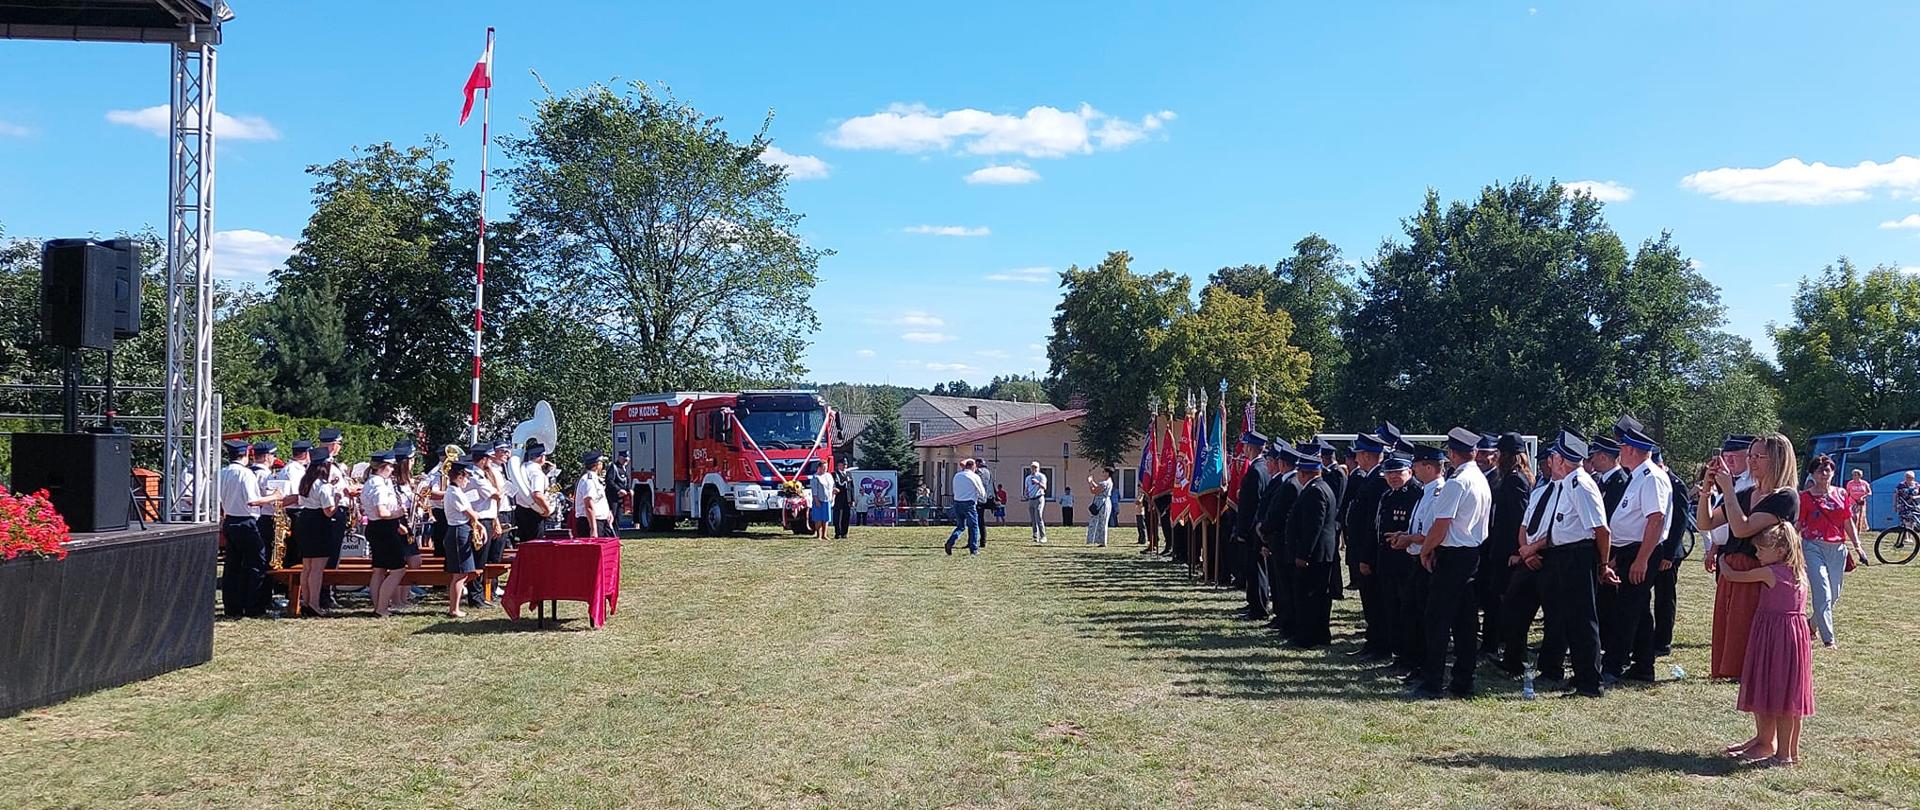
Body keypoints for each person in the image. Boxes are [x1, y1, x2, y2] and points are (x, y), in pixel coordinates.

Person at [1701, 433, 1799, 680]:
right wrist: (1706, 489)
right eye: (1751, 456)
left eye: (1759, 456)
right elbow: (1706, 522)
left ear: (1778, 460)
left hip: (1756, 573)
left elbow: (1742, 528)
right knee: (1729, 631)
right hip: (1731, 569)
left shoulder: (1785, 498)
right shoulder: (1746, 493)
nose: (1752, 461)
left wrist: (1728, 490)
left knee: (1748, 636)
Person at [1720, 522, 1815, 768]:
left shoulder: (1770, 572)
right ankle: (1791, 752)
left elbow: (1733, 576)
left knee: (1779, 696)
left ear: (1781, 549)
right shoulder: (1799, 572)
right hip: (1795, 636)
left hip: (1775, 636)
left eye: (1762, 550)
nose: (1758, 554)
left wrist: (1721, 559)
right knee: (1792, 697)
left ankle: (1781, 755)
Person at [1411, 428, 1491, 699]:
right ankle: (1463, 681)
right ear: (1475, 452)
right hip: (1471, 554)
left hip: (1452, 556)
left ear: (1452, 454)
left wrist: (1426, 550)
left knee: (1437, 621)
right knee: (1465, 623)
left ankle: (1433, 681)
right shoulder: (1480, 479)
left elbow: (1441, 524)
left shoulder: (1458, 483)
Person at [1599, 417, 1671, 685]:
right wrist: (1620, 557)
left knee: (1626, 611)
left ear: (1630, 450)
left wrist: (1641, 559)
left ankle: (1612, 667)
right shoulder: (1637, 476)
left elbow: (1656, 519)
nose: (1619, 452)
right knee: (1639, 612)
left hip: (1643, 551)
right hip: (1630, 550)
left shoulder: (1651, 477)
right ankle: (1643, 666)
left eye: (1622, 447)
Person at [1386, 443, 1445, 683]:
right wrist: (1404, 535)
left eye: (1417, 465)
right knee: (1411, 614)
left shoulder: (1439, 492)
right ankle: (1414, 663)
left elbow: (1432, 532)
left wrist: (1408, 538)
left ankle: (1421, 665)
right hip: (1416, 556)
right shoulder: (1427, 490)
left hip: (1426, 560)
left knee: (1421, 618)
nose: (1414, 469)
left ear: (1429, 467)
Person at [1478, 432, 1532, 662]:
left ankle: (1497, 645)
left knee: (1500, 599)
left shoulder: (1515, 479)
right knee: (1494, 597)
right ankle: (1493, 643)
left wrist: (1515, 550)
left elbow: (1518, 518)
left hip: (1507, 551)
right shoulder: (1509, 477)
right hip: (1499, 547)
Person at [1798, 454, 1858, 648]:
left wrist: (1857, 545)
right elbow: (1798, 524)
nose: (1824, 473)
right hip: (1812, 546)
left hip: (1837, 548)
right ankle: (1828, 639)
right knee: (1823, 592)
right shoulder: (1805, 498)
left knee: (1834, 594)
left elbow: (1847, 521)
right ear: (1812, 474)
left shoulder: (1841, 494)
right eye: (1819, 470)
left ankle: (1811, 625)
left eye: (1828, 469)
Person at [1286, 447, 1340, 648]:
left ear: (1303, 473)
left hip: (1314, 555)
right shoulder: (1322, 487)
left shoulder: (1315, 491)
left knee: (1309, 596)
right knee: (1317, 596)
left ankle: (1307, 637)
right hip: (1320, 553)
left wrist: (1303, 554)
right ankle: (1317, 634)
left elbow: (1313, 527)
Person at [1371, 450, 1420, 672]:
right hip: (1387, 561)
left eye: (1397, 472)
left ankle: (1410, 657)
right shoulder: (1388, 495)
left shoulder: (1416, 493)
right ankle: (1398, 654)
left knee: (1408, 612)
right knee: (1391, 610)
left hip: (1406, 561)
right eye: (1389, 472)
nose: (1392, 477)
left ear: (1409, 471)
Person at [219, 439, 279, 618]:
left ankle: (232, 607)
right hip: (247, 522)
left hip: (230, 520)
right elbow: (253, 500)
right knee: (256, 564)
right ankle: (254, 607)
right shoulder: (245, 474)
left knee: (232, 566)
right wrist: (274, 496)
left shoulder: (223, 472)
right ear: (246, 454)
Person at [1258, 443, 1301, 632]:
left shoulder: (1290, 485)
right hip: (1276, 541)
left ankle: (1287, 621)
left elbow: (1278, 514)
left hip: (1282, 542)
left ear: (1282, 463)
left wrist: (1265, 531)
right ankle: (1282, 617)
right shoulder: (1286, 482)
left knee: (1285, 585)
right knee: (1279, 584)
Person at [361, 452, 409, 617]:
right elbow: (382, 511)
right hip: (383, 528)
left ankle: (378, 606)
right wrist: (398, 514)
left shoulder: (371, 482)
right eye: (390, 466)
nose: (392, 469)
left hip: (377, 527)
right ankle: (381, 607)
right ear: (383, 467)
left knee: (379, 569)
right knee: (398, 570)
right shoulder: (379, 485)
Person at [1653, 450, 1690, 657]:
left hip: (1669, 552)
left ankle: (1663, 641)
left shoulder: (1675, 484)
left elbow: (1679, 522)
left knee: (1665, 597)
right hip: (1653, 548)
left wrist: (1668, 555)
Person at [295, 451, 341, 617]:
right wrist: (336, 499)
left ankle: (306, 601)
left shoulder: (306, 481)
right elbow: (328, 512)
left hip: (306, 519)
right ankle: (314, 603)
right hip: (319, 523)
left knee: (307, 567)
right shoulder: (323, 485)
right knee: (317, 569)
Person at [442, 462, 481, 618]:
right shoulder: (454, 492)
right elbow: (471, 514)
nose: (468, 480)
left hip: (461, 530)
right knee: (460, 574)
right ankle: (454, 608)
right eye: (467, 476)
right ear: (459, 476)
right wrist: (476, 519)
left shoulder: (456, 491)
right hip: (458, 531)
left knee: (463, 573)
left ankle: (455, 606)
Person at [510, 442, 553, 544]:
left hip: (521, 510)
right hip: (534, 512)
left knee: (524, 544)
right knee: (535, 545)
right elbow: (537, 494)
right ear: (542, 457)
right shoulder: (536, 472)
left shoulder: (523, 467)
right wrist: (547, 510)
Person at [944, 458, 987, 555]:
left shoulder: (957, 475)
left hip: (957, 502)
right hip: (969, 504)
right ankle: (973, 549)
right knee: (973, 526)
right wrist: (981, 498)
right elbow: (982, 492)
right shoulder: (974, 476)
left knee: (960, 526)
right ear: (973, 467)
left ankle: (950, 542)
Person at [575, 452, 615, 538]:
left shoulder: (595, 479)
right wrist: (593, 529)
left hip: (601, 520)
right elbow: (589, 505)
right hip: (590, 522)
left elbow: (599, 500)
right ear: (597, 464)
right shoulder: (588, 480)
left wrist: (607, 513)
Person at [1023, 461, 1049, 545]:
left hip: (1039, 498)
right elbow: (1026, 488)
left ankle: (1043, 536)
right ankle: (1035, 535)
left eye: (1035, 467)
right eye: (1032, 467)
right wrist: (1025, 494)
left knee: (1038, 516)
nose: (1034, 469)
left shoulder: (1041, 476)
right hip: (1031, 499)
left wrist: (1037, 483)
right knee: (1033, 518)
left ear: (1038, 468)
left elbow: (1044, 487)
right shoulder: (1028, 478)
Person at [1085, 471, 1112, 546]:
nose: (1102, 473)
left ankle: (1100, 541)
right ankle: (1101, 541)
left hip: (1101, 504)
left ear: (1108, 473)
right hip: (1105, 502)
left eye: (1104, 472)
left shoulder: (1105, 483)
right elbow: (1098, 488)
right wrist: (1093, 481)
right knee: (1102, 522)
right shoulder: (1109, 482)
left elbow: (1094, 491)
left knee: (1099, 522)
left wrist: (1090, 483)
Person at [607, 450, 633, 529]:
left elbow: (625, 482)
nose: (626, 461)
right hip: (613, 498)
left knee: (618, 518)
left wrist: (629, 489)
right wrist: (618, 490)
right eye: (624, 459)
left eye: (627, 460)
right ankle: (610, 535)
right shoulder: (613, 467)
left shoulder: (624, 469)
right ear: (619, 458)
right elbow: (609, 481)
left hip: (620, 498)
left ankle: (617, 535)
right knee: (612, 517)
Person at [975, 462, 998, 545]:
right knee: (981, 521)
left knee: (976, 520)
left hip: (979, 498)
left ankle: (974, 540)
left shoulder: (978, 472)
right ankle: (983, 540)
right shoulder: (988, 472)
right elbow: (992, 485)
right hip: (988, 498)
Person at [809, 467, 834, 540]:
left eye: (826, 467)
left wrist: (833, 495)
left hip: (827, 500)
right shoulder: (815, 477)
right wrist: (816, 500)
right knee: (818, 518)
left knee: (826, 518)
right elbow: (814, 490)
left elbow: (832, 487)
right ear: (819, 468)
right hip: (819, 500)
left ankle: (824, 535)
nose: (825, 469)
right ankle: (819, 535)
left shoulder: (829, 476)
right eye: (823, 467)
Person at [1844, 469, 1872, 536]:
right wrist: (1845, 501)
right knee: (1853, 516)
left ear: (1860, 476)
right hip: (1852, 501)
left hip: (1861, 502)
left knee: (1859, 517)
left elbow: (1870, 492)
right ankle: (1852, 530)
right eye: (1853, 475)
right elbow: (1847, 493)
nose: (1854, 476)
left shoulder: (1864, 483)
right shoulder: (1850, 483)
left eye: (1855, 475)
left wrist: (1863, 497)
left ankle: (1857, 531)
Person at [832, 466, 854, 538]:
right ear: (839, 465)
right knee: (837, 516)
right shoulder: (835, 474)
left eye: (846, 464)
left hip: (847, 498)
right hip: (839, 497)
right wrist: (844, 480)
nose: (845, 466)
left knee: (846, 515)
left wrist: (852, 499)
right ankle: (838, 532)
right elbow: (837, 484)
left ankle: (845, 532)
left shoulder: (848, 474)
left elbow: (851, 487)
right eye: (843, 464)